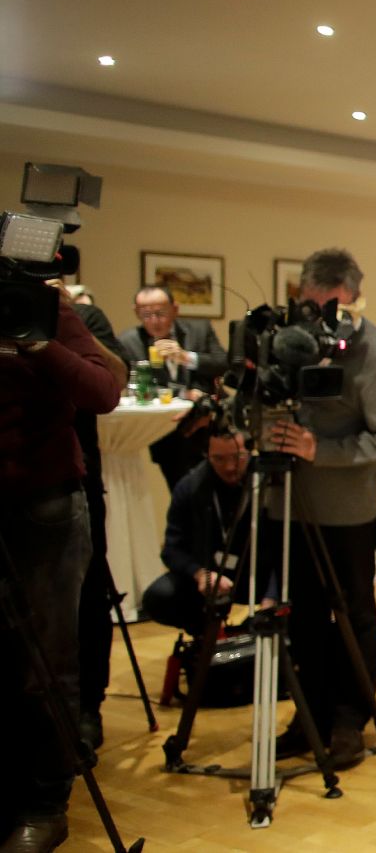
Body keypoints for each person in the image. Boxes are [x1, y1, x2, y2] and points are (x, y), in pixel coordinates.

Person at [265, 249, 376, 768]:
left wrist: (319, 451)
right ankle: (308, 716)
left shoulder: (373, 352)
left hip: (347, 510)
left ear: (354, 297)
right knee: (302, 619)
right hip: (288, 505)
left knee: (352, 617)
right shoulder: (288, 341)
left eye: (332, 307)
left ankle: (351, 719)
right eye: (311, 306)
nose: (321, 319)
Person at [0, 290, 119, 851]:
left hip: (40, 501)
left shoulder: (41, 305)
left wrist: (36, 343)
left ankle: (45, 801)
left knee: (45, 663)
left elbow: (102, 390)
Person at [68, 297, 127, 750]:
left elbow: (112, 383)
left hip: (74, 477)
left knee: (89, 596)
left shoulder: (81, 315)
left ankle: (88, 705)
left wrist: (65, 319)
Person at [140, 430, 255, 635]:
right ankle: (206, 636)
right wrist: (200, 573)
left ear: (250, 451)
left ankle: (258, 636)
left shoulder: (268, 483)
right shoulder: (191, 486)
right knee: (159, 597)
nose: (229, 467)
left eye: (237, 457)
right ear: (206, 455)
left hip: (255, 574)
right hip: (209, 575)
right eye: (219, 459)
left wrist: (271, 598)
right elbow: (172, 550)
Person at [119, 285, 227, 489]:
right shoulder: (129, 341)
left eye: (160, 313)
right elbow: (136, 387)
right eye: (146, 314)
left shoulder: (199, 330)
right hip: (169, 434)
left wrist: (186, 357)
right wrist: (182, 394)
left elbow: (224, 363)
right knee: (184, 494)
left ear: (175, 309)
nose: (154, 320)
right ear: (136, 312)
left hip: (210, 426)